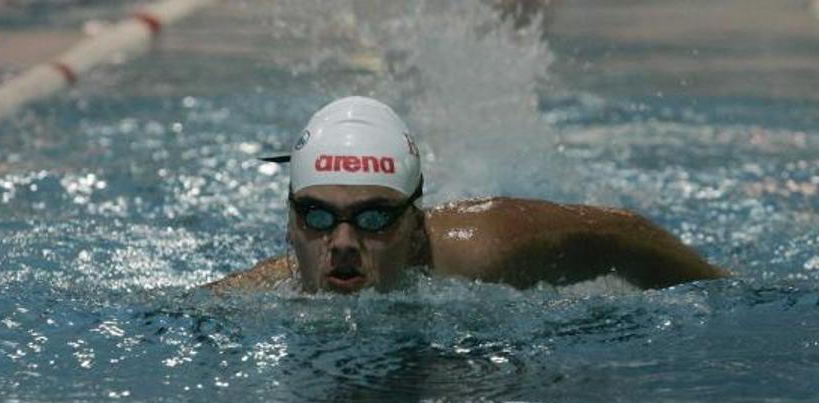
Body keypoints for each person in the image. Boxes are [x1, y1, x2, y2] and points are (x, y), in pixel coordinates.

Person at [206, 96, 725, 294]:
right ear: (290, 222)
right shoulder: (263, 294)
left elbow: (622, 232)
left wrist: (723, 293)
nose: (342, 243)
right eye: (319, 217)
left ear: (415, 225)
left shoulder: (487, 245)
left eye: (373, 218)